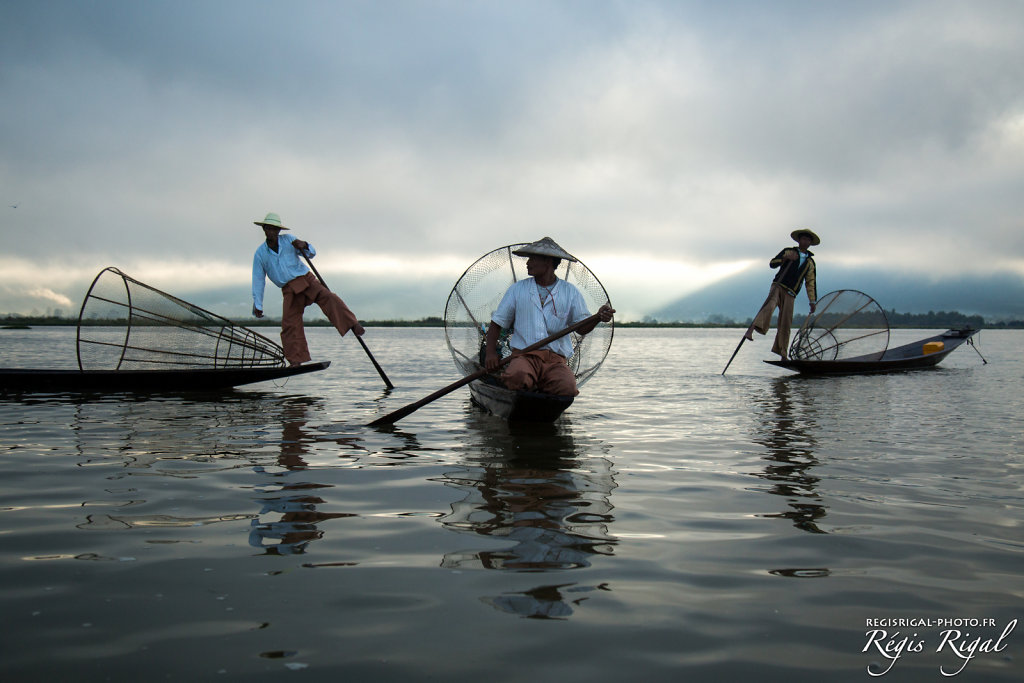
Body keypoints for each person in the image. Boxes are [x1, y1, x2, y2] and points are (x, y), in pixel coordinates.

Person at [483, 237, 614, 396]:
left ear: (548, 262)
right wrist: (490, 353)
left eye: (533, 259)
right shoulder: (518, 289)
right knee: (517, 377)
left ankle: (540, 388)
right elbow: (497, 323)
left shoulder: (570, 292)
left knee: (567, 388)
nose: (527, 263)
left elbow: (582, 328)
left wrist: (598, 318)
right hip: (524, 356)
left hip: (555, 360)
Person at [251, 212, 365, 366]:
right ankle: (296, 360)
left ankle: (353, 324)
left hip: (306, 279)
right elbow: (258, 279)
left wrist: (304, 244)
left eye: (274, 229)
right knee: (289, 324)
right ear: (264, 229)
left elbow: (311, 253)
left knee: (328, 297)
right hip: (289, 289)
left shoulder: (289, 240)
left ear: (278, 231)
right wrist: (258, 303)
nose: (271, 232)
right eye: (268, 228)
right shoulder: (260, 254)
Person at [744, 228, 819, 359]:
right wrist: (785, 258)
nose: (805, 241)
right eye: (803, 239)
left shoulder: (810, 262)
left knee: (786, 322)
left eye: (808, 240)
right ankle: (750, 331)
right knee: (769, 306)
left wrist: (812, 301)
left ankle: (782, 352)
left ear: (810, 243)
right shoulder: (788, 251)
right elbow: (772, 263)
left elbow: (810, 282)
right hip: (778, 286)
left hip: (791, 292)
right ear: (799, 240)